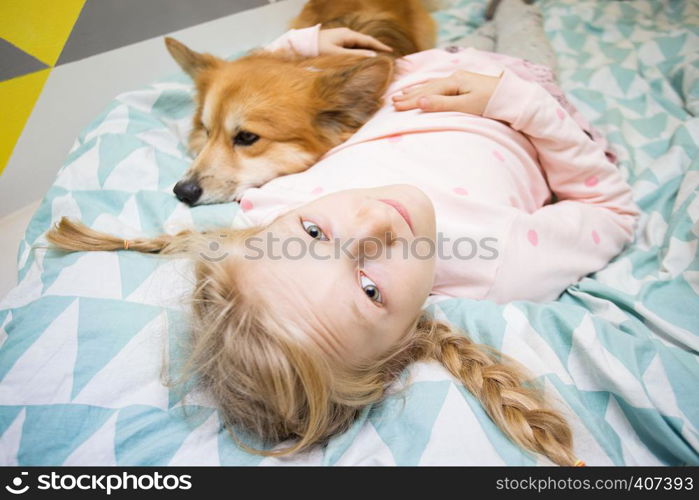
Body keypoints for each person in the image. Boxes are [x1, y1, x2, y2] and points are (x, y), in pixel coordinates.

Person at [46, 0, 637, 466]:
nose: (371, 220)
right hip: (515, 90)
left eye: (313, 233)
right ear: (404, 344)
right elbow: (612, 211)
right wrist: (520, 103)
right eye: (371, 290)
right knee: (518, 27)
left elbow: (258, 90)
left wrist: (301, 45)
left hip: (414, 73)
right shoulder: (501, 265)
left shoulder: (275, 206)